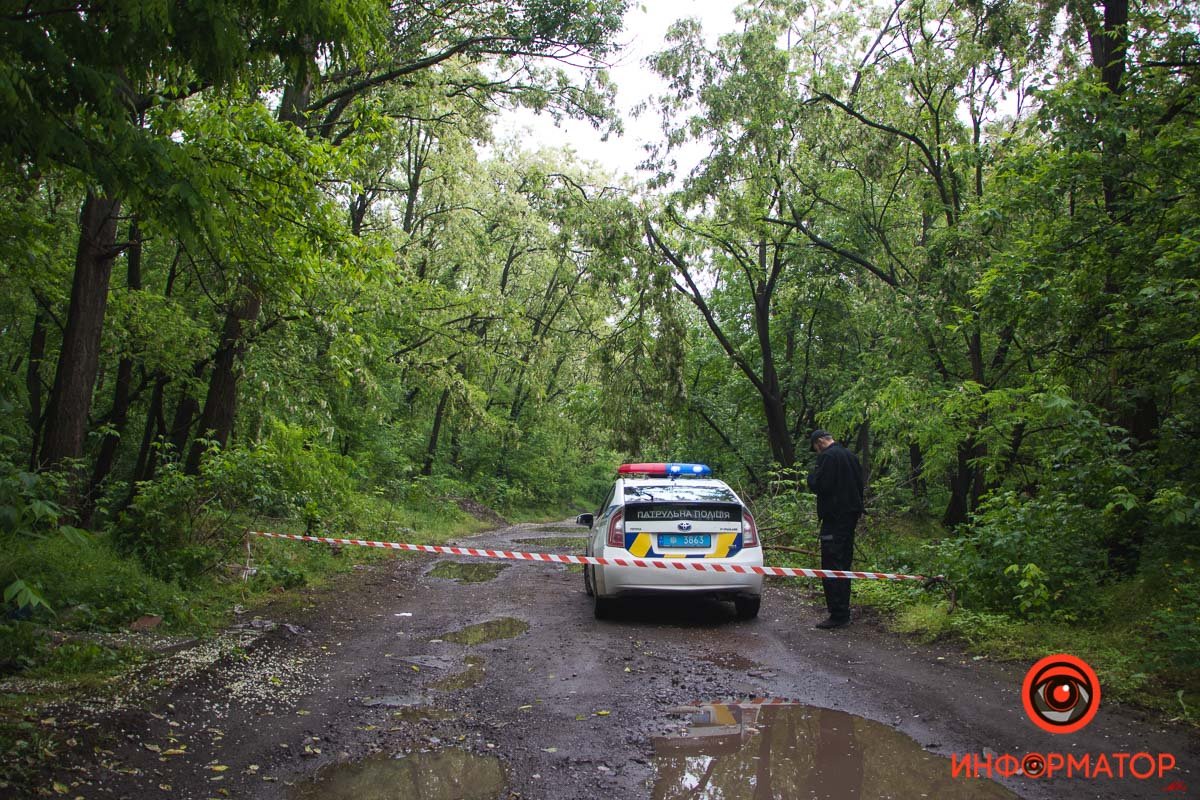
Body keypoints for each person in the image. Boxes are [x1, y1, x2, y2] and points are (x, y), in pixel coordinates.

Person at [806, 429, 864, 629]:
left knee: (831, 564)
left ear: (821, 441)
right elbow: (860, 485)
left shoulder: (828, 457)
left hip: (834, 518)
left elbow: (820, 484)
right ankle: (843, 611)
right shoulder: (851, 456)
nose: (817, 451)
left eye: (816, 447)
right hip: (850, 517)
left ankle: (838, 614)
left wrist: (811, 477)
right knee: (844, 563)